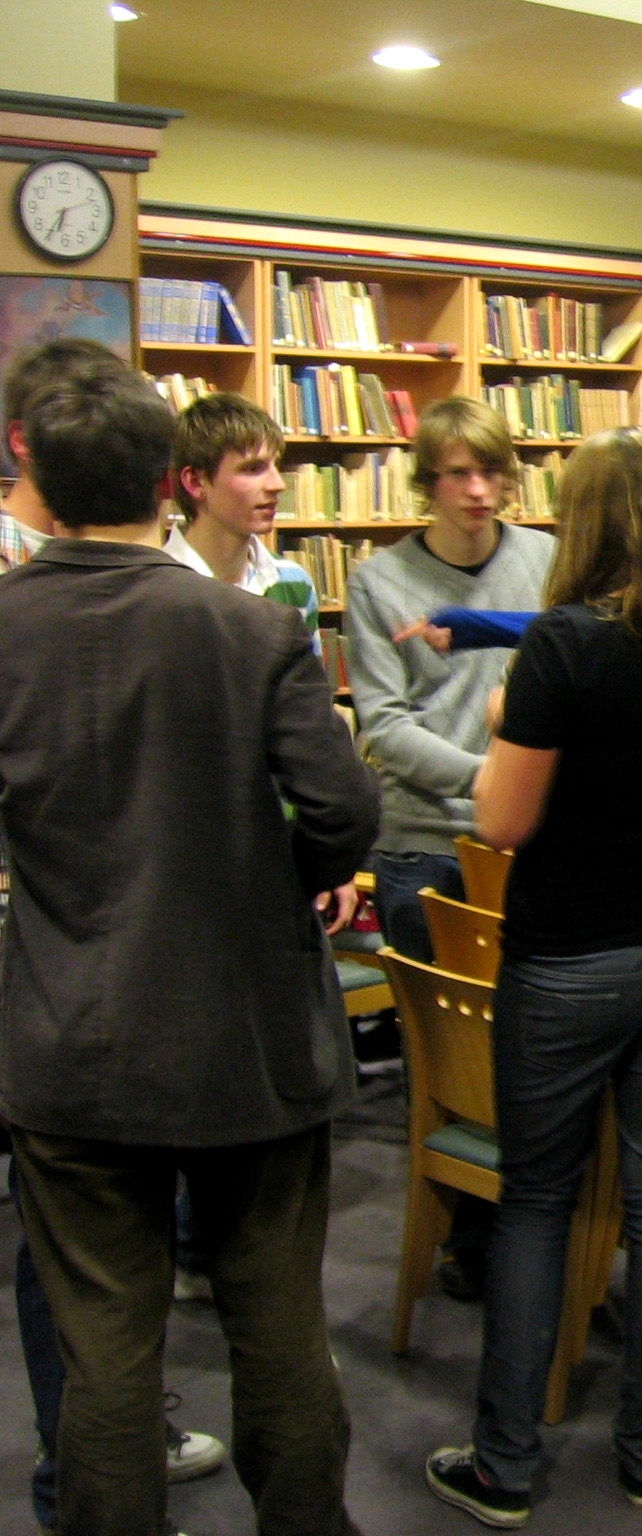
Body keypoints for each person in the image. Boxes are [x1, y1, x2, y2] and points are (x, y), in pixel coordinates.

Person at [0, 364, 379, 1536]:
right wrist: (283, 883)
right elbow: (344, 812)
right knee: (280, 1330)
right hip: (247, 1037)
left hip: (69, 1039)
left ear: (36, 479)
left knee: (105, 1353)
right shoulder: (251, 626)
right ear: (171, 482)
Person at [424, 427, 642, 1528]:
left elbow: (502, 820)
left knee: (537, 1198)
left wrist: (511, 724)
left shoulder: (566, 645)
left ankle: (505, 1465)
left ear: (584, 521)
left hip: (574, 953)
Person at [0, 337, 231, 1533]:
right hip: (47, 945)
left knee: (92, 1225)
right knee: (65, 1232)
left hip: (107, 940)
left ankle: (110, 1435)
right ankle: (79, 1461)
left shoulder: (147, 571)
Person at [345, 395, 553, 1296]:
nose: (478, 490)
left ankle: (531, 1227)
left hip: (528, 843)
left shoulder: (545, 561)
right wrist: (491, 780)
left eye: (493, 472)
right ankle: (467, 1237)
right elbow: (385, 728)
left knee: (531, 1053)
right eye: (459, 474)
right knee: (453, 1064)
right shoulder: (379, 581)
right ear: (426, 482)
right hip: (428, 845)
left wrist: (516, 793)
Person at [166, 392, 320, 646]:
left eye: (276, 465)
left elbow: (308, 672)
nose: (278, 484)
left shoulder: (293, 581)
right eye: (253, 468)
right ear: (195, 482)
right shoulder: (156, 589)